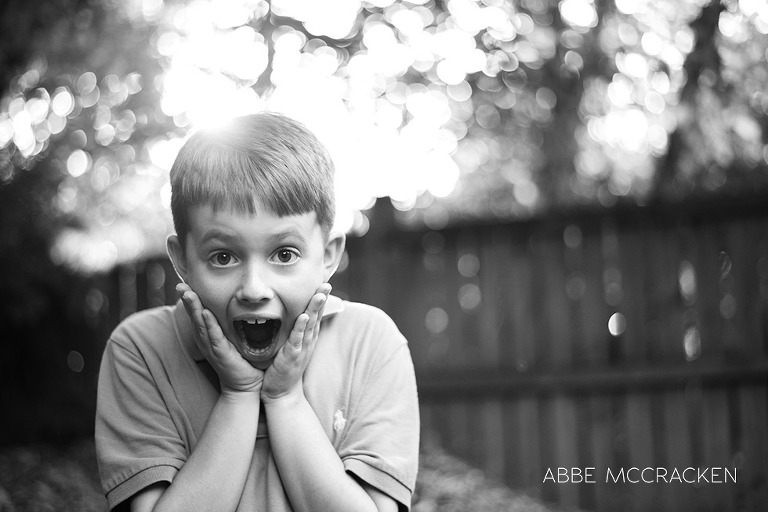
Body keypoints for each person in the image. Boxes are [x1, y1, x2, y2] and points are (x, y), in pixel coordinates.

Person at [94, 113, 420, 512]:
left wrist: (286, 398)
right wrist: (239, 395)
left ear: (329, 255)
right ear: (182, 261)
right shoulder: (141, 350)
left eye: (284, 254)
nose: (253, 289)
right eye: (223, 256)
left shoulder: (371, 343)